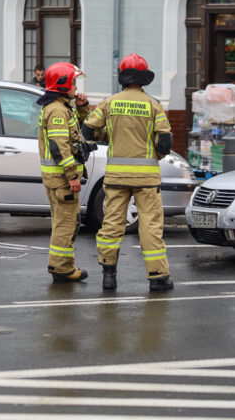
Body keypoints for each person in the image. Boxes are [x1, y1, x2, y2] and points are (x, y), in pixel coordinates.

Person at [81, 53, 174, 292]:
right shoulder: (154, 105)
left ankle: (108, 276)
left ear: (122, 77)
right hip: (146, 179)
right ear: (143, 79)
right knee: (150, 226)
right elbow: (165, 142)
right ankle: (157, 277)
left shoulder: (109, 102)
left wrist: (110, 137)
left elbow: (89, 132)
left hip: (116, 178)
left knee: (111, 225)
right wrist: (154, 156)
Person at [37, 62, 90, 283]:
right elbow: (60, 146)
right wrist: (72, 175)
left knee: (64, 221)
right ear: (62, 83)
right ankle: (61, 268)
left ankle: (63, 266)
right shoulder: (57, 110)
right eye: (74, 82)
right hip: (62, 180)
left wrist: (82, 107)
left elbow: (78, 129)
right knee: (66, 223)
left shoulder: (60, 106)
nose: (76, 87)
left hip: (56, 179)